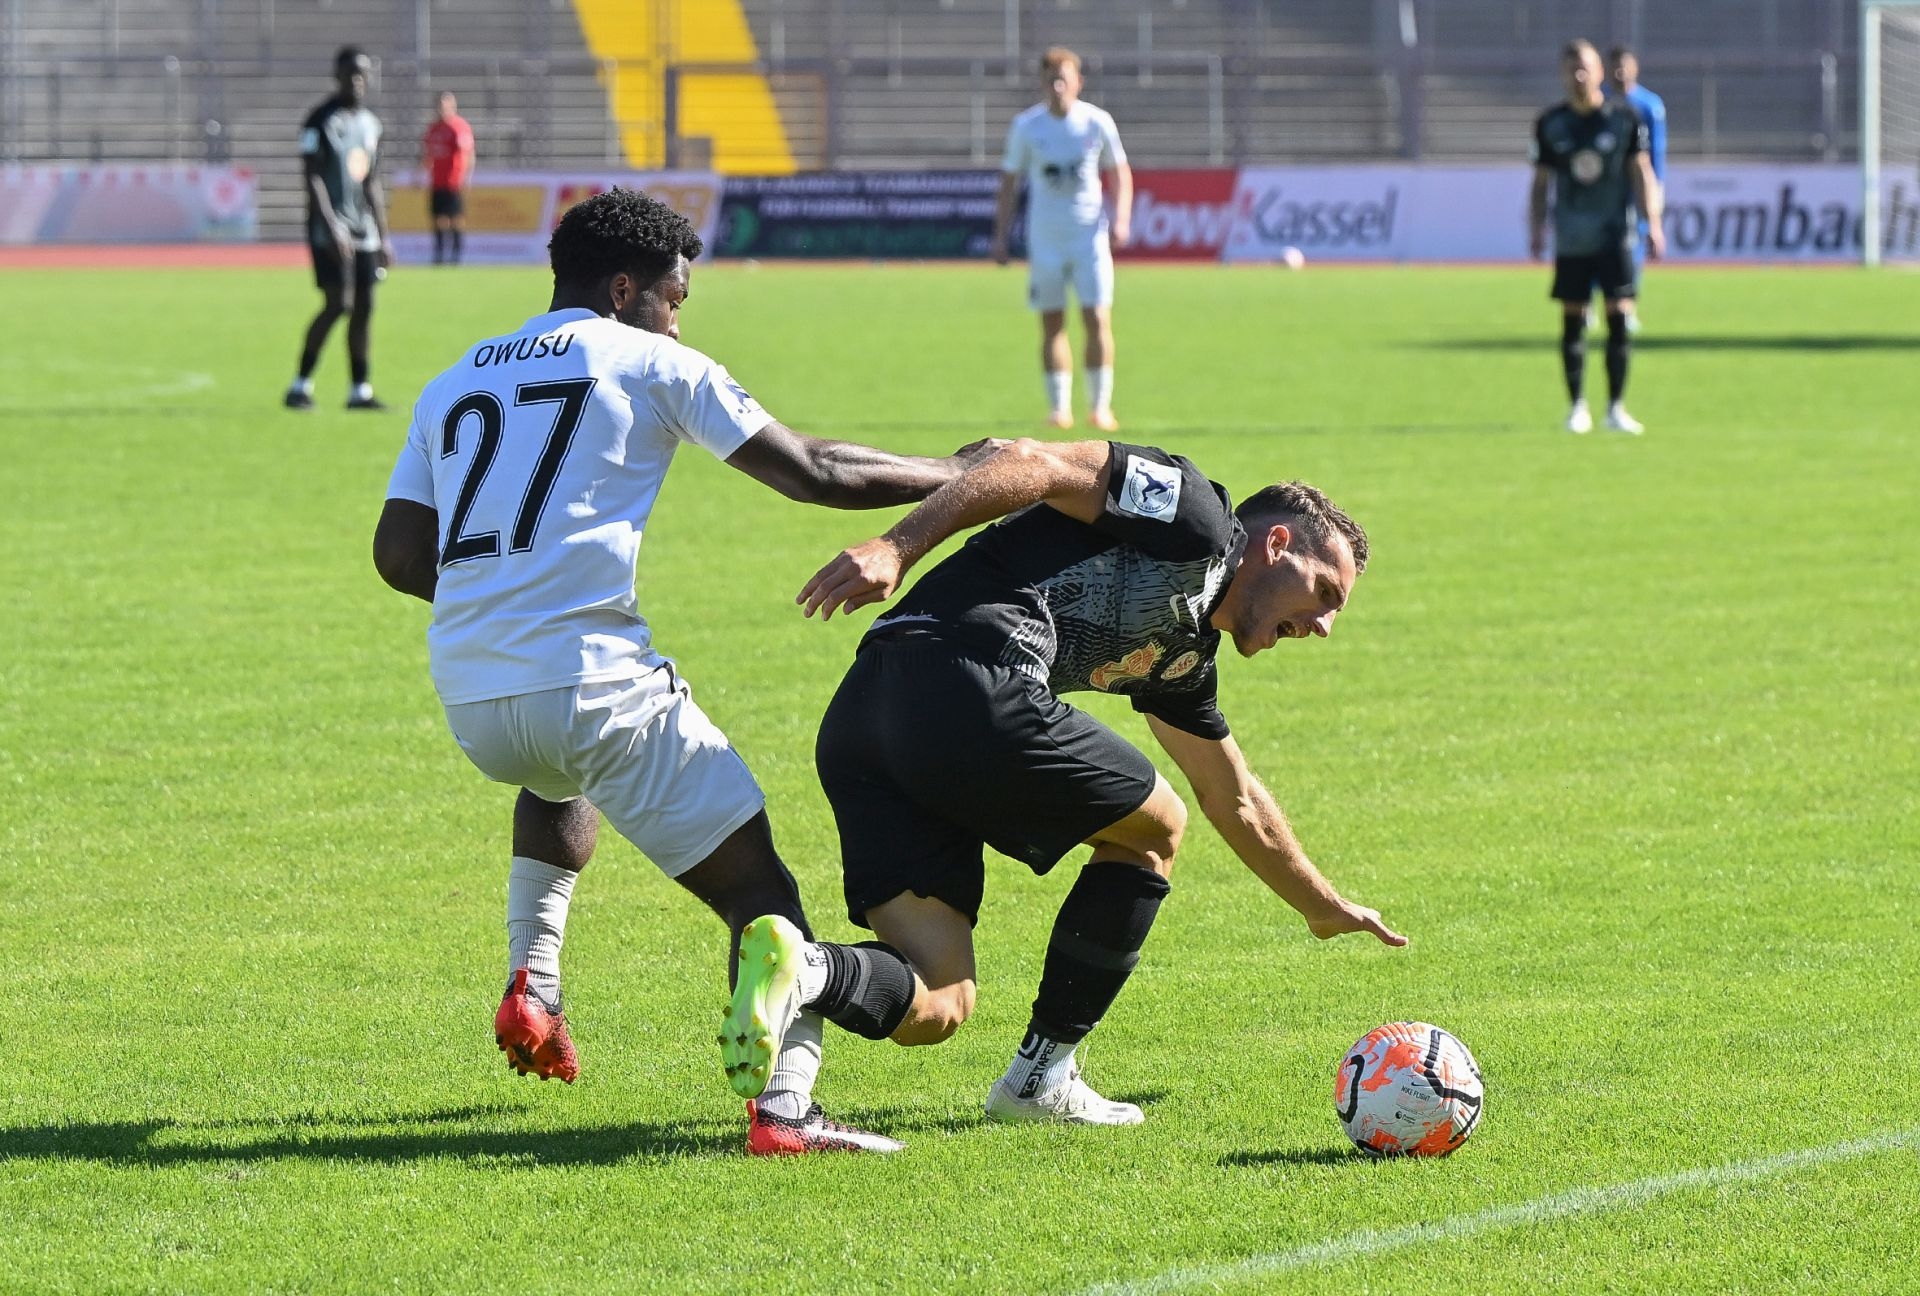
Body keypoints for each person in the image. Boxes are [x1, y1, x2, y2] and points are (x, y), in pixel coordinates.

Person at [371, 188, 1003, 1156]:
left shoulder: (451, 381)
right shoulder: (647, 357)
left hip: (471, 694)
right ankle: (786, 1113)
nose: (678, 316)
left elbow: (398, 555)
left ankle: (533, 985)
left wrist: (499, 603)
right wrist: (960, 476)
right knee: (766, 902)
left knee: (551, 774)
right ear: (626, 289)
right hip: (591, 685)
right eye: (674, 298)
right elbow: (815, 471)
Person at [724, 439, 1407, 1127]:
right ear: (1277, 543)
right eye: (1324, 592)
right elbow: (1036, 462)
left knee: (938, 1000)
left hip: (864, 722)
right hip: (963, 674)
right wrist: (898, 546)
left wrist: (1321, 906)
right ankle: (1041, 1079)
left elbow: (1234, 797)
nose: (1322, 626)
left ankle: (807, 969)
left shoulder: (1182, 663)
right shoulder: (1195, 514)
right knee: (1155, 830)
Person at [991, 47, 1133, 434]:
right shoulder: (1027, 127)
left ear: (1077, 83)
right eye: (1051, 80)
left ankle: (1100, 407)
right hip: (1046, 240)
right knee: (1052, 323)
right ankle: (1059, 408)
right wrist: (1000, 236)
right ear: (1042, 84)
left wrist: (1120, 218)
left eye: (1064, 79)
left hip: (1089, 238)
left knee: (1097, 319)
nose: (1057, 87)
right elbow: (1009, 183)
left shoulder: (1096, 122)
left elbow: (1120, 173)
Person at [1529, 39, 1665, 435]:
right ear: (1562, 75)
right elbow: (1540, 181)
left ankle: (1616, 408)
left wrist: (1652, 223)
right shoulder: (1550, 123)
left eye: (1585, 67)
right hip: (1572, 238)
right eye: (1571, 69)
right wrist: (1537, 226)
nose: (1578, 75)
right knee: (1572, 321)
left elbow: (1641, 172)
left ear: (1600, 72)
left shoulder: (1625, 118)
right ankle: (1577, 407)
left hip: (1615, 236)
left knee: (1619, 318)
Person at [287, 47, 393, 412]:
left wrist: (384, 234)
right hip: (329, 230)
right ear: (337, 76)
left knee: (365, 306)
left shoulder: (370, 124)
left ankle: (359, 390)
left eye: (362, 74)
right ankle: (300, 384)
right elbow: (312, 175)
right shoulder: (319, 121)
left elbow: (371, 182)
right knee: (338, 304)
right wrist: (332, 226)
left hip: (364, 230)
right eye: (350, 74)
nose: (357, 81)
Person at [1606, 47, 1667, 328]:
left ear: (1635, 68)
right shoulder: (1600, 100)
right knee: (1597, 244)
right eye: (1615, 66)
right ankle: (1598, 302)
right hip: (1604, 188)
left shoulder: (1649, 105)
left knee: (1633, 245)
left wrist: (1656, 189)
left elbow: (1656, 153)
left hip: (1638, 186)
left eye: (1625, 66)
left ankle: (1627, 304)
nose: (1620, 72)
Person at [422, 91, 476, 266]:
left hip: (454, 181)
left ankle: (456, 255)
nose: (441, 109)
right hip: (437, 181)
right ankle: (439, 256)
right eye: (439, 105)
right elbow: (428, 154)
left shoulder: (459, 127)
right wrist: (419, 173)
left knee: (455, 218)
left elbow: (468, 154)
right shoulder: (433, 129)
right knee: (438, 219)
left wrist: (466, 177)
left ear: (453, 106)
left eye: (445, 105)